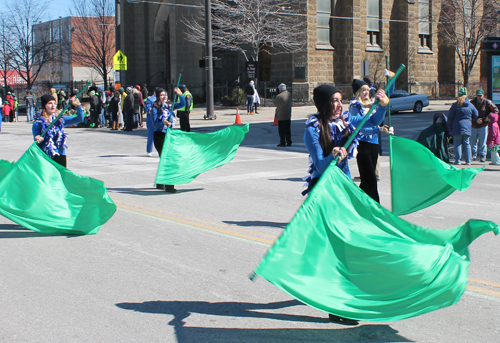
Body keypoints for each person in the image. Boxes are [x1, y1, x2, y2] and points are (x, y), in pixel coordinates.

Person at [303, 84, 389, 325]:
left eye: (340, 100)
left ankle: (340, 298)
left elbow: (371, 126)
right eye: (334, 101)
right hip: (325, 193)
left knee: (346, 247)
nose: (339, 105)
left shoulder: (345, 122)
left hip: (344, 191)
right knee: (339, 250)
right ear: (323, 104)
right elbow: (319, 166)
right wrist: (333, 155)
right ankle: (338, 305)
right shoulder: (312, 129)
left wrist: (382, 105)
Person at [350, 76, 394, 203]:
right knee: (370, 179)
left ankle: (357, 204)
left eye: (367, 90)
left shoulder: (373, 103)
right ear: (358, 92)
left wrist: (391, 80)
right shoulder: (355, 106)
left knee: (367, 182)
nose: (366, 93)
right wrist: (379, 130)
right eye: (363, 90)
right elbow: (362, 128)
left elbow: (387, 95)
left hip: (374, 144)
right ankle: (376, 207)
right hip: (362, 145)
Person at [32, 94, 84, 167]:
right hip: (46, 155)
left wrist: (78, 105)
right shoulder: (38, 123)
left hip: (60, 154)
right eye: (50, 103)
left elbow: (80, 119)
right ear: (44, 106)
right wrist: (38, 137)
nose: (53, 105)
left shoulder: (60, 119)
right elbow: (36, 137)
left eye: (54, 103)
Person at [150, 87, 185, 193]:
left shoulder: (170, 105)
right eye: (161, 95)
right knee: (167, 159)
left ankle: (160, 182)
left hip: (169, 135)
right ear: (157, 96)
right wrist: (163, 123)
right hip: (159, 135)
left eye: (165, 94)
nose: (164, 97)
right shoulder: (155, 107)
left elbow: (182, 104)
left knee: (167, 159)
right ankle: (169, 186)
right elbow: (155, 124)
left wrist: (180, 95)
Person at [447, 87, 478, 165]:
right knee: (467, 144)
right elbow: (476, 114)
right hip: (467, 127)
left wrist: (449, 126)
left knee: (457, 144)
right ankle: (468, 161)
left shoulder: (455, 105)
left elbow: (450, 117)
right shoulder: (470, 105)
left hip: (457, 127)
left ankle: (457, 161)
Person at [470, 88, 498, 162]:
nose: (479, 97)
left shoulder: (488, 102)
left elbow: (496, 110)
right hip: (474, 125)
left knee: (483, 142)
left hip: (483, 125)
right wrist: (475, 120)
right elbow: (469, 113)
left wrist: (488, 117)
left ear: (483, 95)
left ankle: (483, 156)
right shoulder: (472, 102)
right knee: (473, 142)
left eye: (480, 95)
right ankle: (473, 155)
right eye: (478, 95)